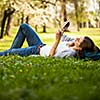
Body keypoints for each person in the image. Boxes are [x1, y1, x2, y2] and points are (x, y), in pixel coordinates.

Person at [0, 23, 100, 60]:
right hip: (40, 45)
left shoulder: (69, 53)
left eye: (78, 40)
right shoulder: (72, 44)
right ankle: (12, 52)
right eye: (79, 37)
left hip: (36, 50)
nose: (76, 38)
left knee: (10, 53)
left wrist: (57, 41)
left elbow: (50, 57)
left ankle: (10, 53)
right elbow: (64, 36)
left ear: (79, 48)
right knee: (24, 27)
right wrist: (62, 31)